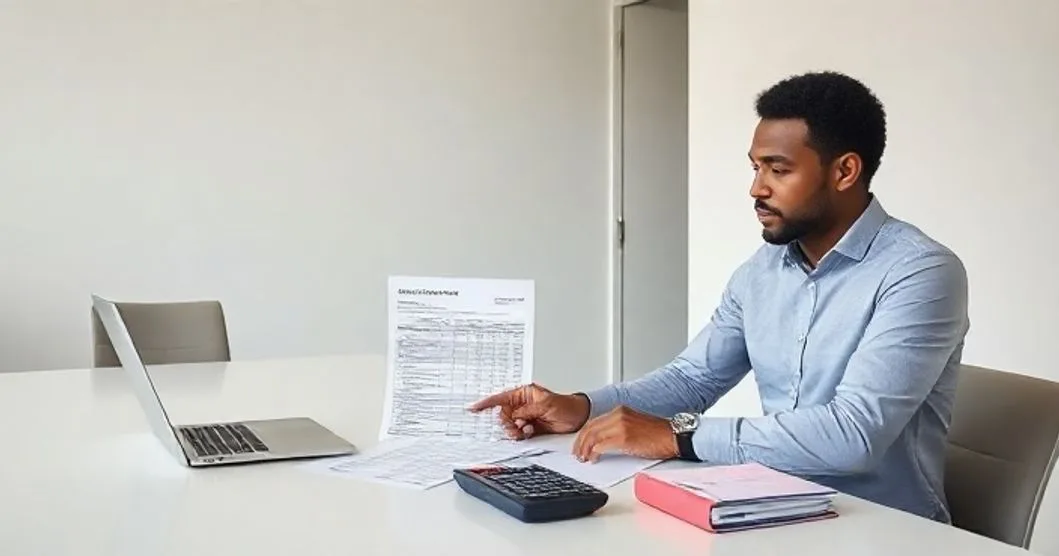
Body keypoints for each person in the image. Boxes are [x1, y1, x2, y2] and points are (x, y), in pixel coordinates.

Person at [470, 70, 970, 523]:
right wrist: (581, 408)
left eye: (778, 170)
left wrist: (677, 435)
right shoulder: (762, 271)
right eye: (755, 168)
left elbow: (853, 435)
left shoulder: (920, 272)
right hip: (772, 506)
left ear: (844, 172)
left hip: (885, 529)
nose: (756, 188)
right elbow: (693, 378)